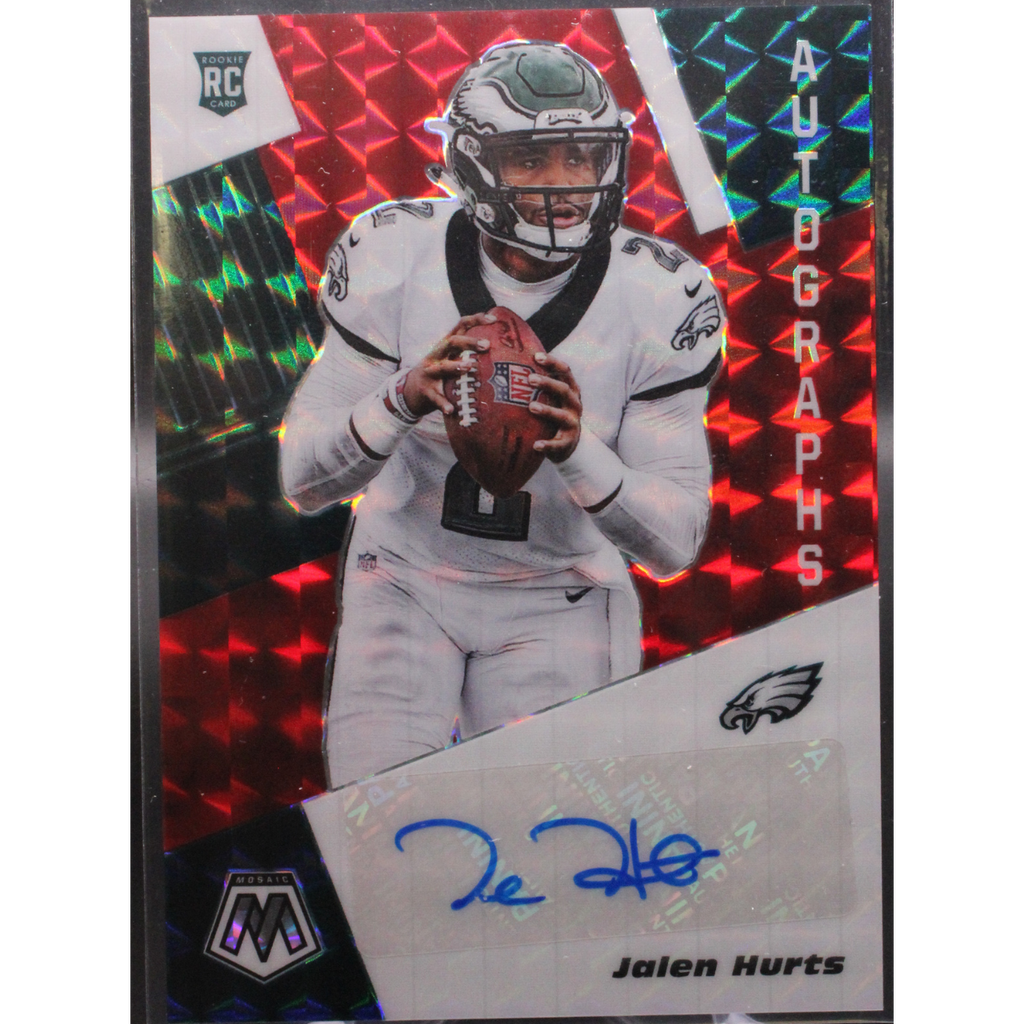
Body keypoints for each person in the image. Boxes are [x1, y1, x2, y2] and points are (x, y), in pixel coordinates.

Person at [280, 41, 724, 788]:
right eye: (530, 158)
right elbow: (303, 479)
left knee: (542, 829)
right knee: (374, 818)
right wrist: (402, 397)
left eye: (580, 156)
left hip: (560, 592)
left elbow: (674, 542)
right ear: (471, 163)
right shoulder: (395, 250)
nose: (565, 184)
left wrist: (577, 450)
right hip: (402, 577)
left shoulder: (661, 293)